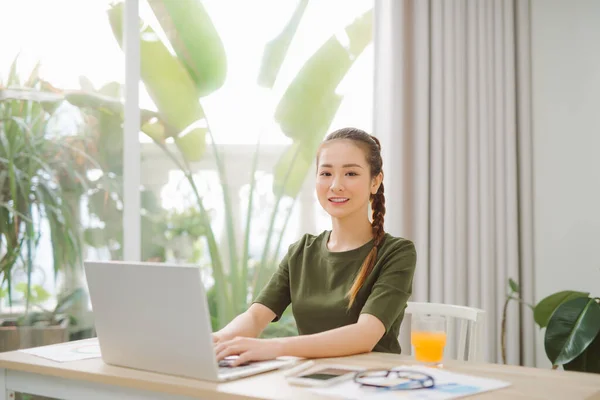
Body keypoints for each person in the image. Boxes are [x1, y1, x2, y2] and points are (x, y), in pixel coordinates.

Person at [213, 127, 417, 366]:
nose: (336, 185)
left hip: (371, 384)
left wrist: (275, 347)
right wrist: (217, 340)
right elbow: (256, 316)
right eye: (326, 173)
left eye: (351, 173)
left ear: (375, 182)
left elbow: (365, 335)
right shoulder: (302, 251)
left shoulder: (396, 253)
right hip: (309, 381)